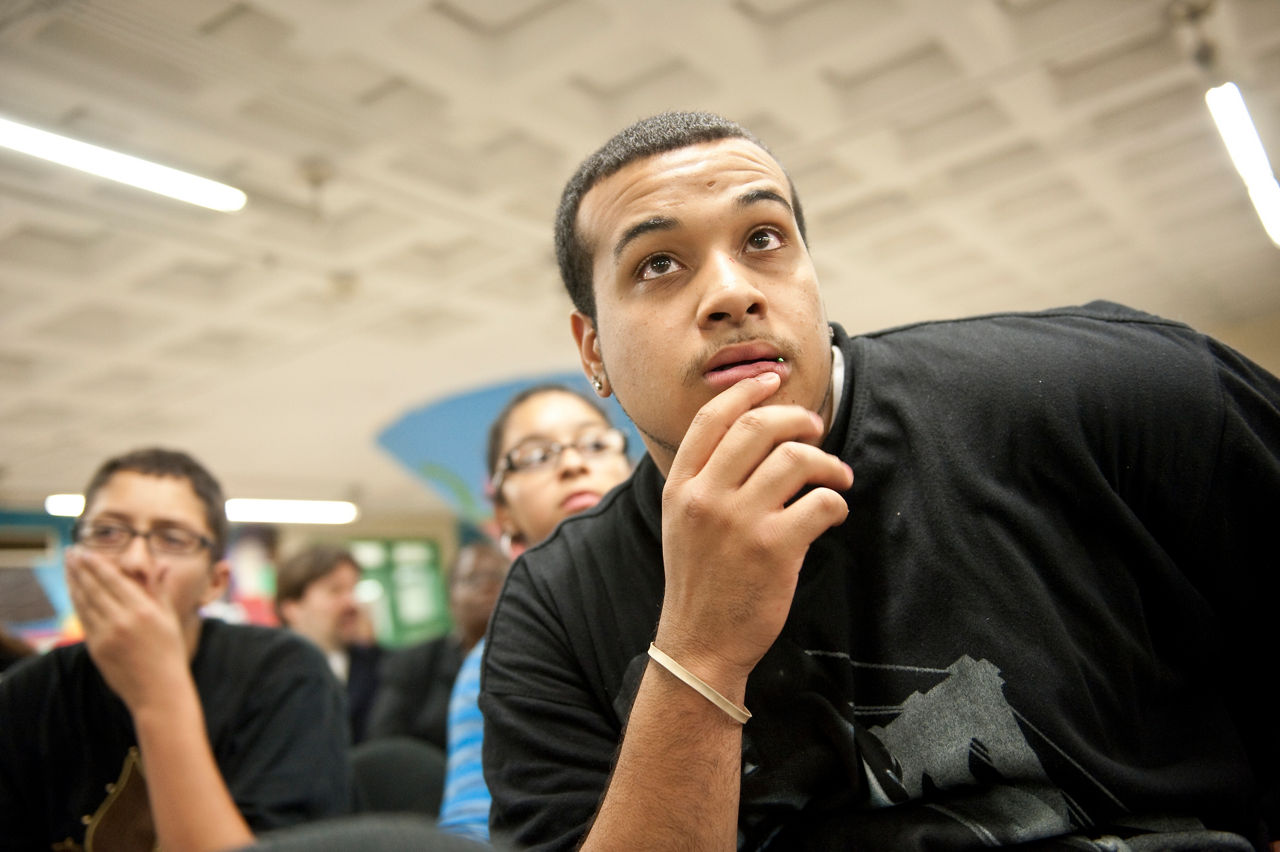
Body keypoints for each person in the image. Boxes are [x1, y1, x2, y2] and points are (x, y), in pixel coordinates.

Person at [478, 112, 1280, 851]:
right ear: (592, 352)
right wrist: (701, 651)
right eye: (658, 263)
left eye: (764, 238)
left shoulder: (1110, 391)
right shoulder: (553, 609)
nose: (730, 292)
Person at [0, 447, 350, 852]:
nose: (135, 560)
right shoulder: (25, 698)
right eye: (109, 533)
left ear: (214, 583)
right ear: (75, 559)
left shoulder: (286, 676)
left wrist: (156, 694)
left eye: (172, 538)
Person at [436, 383, 633, 843]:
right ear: (503, 513)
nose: (572, 463)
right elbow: (470, 830)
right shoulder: (493, 663)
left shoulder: (709, 588)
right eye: (536, 456)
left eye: (595, 443)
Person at [366, 539, 509, 750]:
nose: (487, 586)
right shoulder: (413, 663)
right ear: (450, 597)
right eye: (473, 578)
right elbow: (386, 749)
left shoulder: (539, 658)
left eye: (497, 577)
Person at [275, 543, 383, 743]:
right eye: (335, 591)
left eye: (353, 589)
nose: (351, 602)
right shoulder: (268, 675)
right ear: (292, 608)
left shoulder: (384, 668)